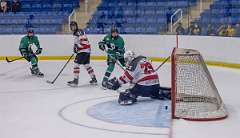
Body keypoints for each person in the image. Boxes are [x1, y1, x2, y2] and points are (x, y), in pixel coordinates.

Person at [105, 51, 171, 105]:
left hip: (145, 88)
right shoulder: (145, 60)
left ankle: (131, 96)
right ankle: (158, 93)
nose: (126, 61)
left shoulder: (133, 63)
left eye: (126, 59)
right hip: (156, 85)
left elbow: (126, 78)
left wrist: (117, 83)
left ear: (130, 57)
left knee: (125, 94)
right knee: (149, 88)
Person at [67, 21, 97, 87]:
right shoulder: (76, 33)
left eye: (74, 26)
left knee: (76, 64)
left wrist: (77, 47)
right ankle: (94, 79)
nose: (73, 27)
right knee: (87, 65)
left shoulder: (79, 31)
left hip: (83, 51)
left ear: (76, 26)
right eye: (72, 26)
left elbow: (84, 42)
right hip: (86, 51)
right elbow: (78, 43)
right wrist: (75, 48)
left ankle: (75, 81)